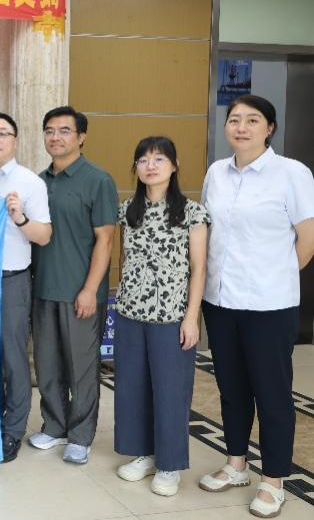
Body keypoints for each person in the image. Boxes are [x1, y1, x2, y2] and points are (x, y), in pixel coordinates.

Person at [197, 95, 314, 518]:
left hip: (269, 305)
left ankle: (274, 479)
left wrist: (276, 278)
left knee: (272, 392)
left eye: (252, 120)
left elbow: (307, 239)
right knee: (231, 388)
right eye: (234, 120)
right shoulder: (216, 172)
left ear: (270, 128)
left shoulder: (292, 174)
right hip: (220, 300)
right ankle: (236, 464)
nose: (241, 127)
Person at [113, 136, 209, 497]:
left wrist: (191, 317)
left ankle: (169, 465)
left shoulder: (191, 212)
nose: (150, 166)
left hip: (171, 316)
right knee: (133, 387)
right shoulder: (127, 210)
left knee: (170, 391)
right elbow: (125, 260)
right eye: (143, 160)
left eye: (159, 159)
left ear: (174, 165)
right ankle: (145, 454)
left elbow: (199, 268)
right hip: (130, 313)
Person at [29, 105, 118, 465]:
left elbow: (106, 239)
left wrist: (90, 289)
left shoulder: (98, 180)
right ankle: (54, 425)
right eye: (49, 130)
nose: (56, 137)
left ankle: (80, 435)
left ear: (81, 137)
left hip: (80, 291)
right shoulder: (37, 182)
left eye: (64, 130)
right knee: (47, 364)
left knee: (81, 368)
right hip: (42, 287)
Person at [0, 112, 51, 463]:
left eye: (2, 133)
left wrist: (19, 217)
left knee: (13, 358)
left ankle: (12, 430)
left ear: (15, 140)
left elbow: (44, 236)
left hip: (10, 281)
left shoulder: (30, 182)